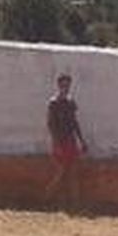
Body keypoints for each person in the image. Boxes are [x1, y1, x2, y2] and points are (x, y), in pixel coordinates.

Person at [44, 72, 89, 209]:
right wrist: (56, 143)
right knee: (61, 171)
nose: (66, 87)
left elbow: (75, 123)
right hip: (60, 141)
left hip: (70, 140)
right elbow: (51, 124)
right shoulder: (53, 102)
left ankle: (74, 203)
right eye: (63, 85)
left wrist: (82, 141)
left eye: (67, 85)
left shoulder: (70, 102)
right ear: (58, 85)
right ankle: (47, 199)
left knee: (73, 172)